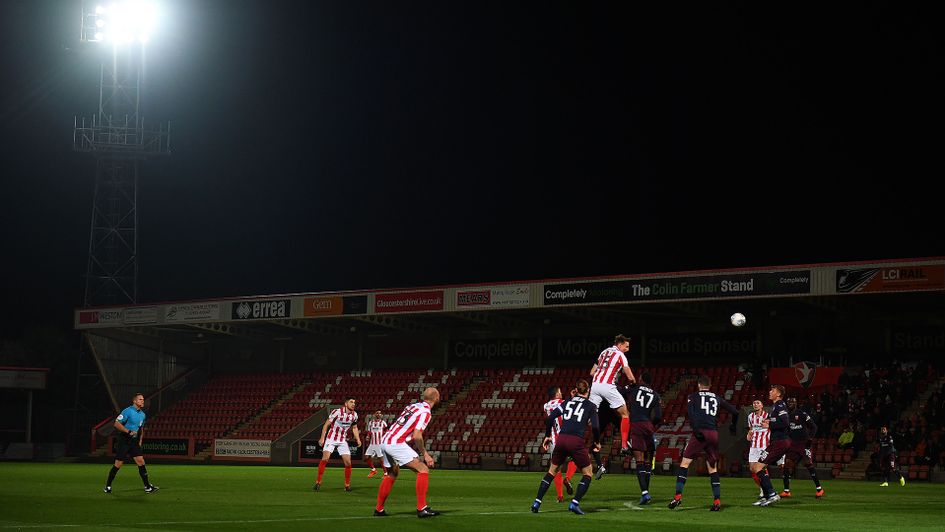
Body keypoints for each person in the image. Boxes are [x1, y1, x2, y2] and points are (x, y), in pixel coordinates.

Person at [668, 375, 739, 512]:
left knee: (685, 463)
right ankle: (717, 501)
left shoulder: (693, 396)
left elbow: (691, 414)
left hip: (700, 432)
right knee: (712, 467)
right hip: (713, 433)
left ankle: (677, 497)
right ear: (709, 385)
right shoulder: (716, 397)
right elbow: (735, 412)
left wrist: (696, 430)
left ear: (699, 385)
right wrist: (733, 427)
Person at [530, 379, 601, 516]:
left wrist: (547, 435)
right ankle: (574, 503)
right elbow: (596, 427)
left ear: (576, 390)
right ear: (588, 391)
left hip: (561, 440)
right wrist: (597, 442)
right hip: (576, 441)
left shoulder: (568, 402)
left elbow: (550, 418)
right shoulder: (591, 406)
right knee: (588, 473)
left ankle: (536, 502)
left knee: (551, 472)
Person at [374, 387, 441, 518]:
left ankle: (379, 509)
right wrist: (425, 454)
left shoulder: (413, 406)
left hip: (385, 440)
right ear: (437, 398)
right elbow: (417, 435)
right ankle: (422, 508)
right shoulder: (425, 412)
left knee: (392, 473)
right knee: (423, 469)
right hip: (396, 443)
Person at [588, 334, 636, 463]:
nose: (627, 349)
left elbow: (592, 372)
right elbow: (629, 376)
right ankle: (624, 445)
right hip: (608, 386)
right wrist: (633, 383)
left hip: (595, 386)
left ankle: (580, 442)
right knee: (625, 414)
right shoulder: (620, 355)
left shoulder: (603, 352)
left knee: (590, 417)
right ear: (619, 344)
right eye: (626, 346)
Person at [104, 393, 158, 494]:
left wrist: (140, 441)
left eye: (143, 399)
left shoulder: (143, 414)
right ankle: (108, 486)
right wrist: (128, 431)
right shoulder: (127, 411)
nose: (142, 401)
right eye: (140, 399)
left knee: (141, 461)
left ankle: (147, 487)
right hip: (124, 440)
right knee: (118, 464)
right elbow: (116, 424)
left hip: (134, 442)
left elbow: (141, 429)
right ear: (134, 401)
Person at [750, 385, 791, 506]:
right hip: (776, 442)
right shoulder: (774, 407)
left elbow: (785, 422)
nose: (770, 391)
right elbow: (775, 420)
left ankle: (772, 494)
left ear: (778, 394)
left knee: (758, 467)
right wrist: (768, 421)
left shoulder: (780, 405)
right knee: (756, 467)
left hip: (780, 442)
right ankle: (766, 496)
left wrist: (769, 425)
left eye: (772, 390)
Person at [627, 372, 662, 505]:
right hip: (648, 425)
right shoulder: (656, 395)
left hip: (636, 424)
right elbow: (658, 416)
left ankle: (645, 493)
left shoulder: (634, 389)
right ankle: (646, 491)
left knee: (639, 460)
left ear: (641, 380)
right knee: (648, 459)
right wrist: (651, 424)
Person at [780, 397, 824, 498]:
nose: (790, 403)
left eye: (792, 402)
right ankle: (786, 491)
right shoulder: (785, 415)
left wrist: (810, 439)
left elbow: (814, 427)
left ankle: (819, 489)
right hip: (792, 444)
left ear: (796, 403)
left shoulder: (802, 414)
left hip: (803, 444)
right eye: (789, 402)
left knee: (808, 464)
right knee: (787, 465)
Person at [315, 396, 361, 492]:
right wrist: (322, 438)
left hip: (342, 440)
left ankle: (347, 485)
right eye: (351, 402)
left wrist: (358, 439)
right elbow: (326, 425)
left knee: (348, 463)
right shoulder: (337, 412)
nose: (353, 404)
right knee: (325, 458)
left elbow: (354, 427)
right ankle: (318, 482)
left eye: (354, 402)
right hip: (331, 438)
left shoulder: (355, 415)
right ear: (346, 404)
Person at [543, 386, 578, 502]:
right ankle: (567, 478)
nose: (561, 393)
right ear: (557, 394)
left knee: (556, 468)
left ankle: (560, 496)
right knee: (577, 459)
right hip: (566, 437)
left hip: (554, 440)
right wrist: (572, 397)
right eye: (560, 392)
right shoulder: (563, 403)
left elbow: (548, 420)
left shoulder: (546, 406)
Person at [746, 399, 770, 499]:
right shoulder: (750, 416)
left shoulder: (767, 416)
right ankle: (762, 488)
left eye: (758, 403)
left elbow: (771, 428)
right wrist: (749, 434)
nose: (755, 404)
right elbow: (751, 429)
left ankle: (767, 490)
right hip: (753, 446)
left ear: (762, 405)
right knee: (752, 469)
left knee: (762, 468)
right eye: (754, 403)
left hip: (764, 445)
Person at [364, 410, 388, 478]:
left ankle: (386, 473)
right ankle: (373, 470)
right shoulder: (371, 423)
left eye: (380, 413)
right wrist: (368, 436)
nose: (378, 414)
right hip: (372, 444)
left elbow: (387, 431)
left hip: (379, 444)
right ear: (374, 414)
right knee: (366, 457)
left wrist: (385, 438)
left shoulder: (383, 423)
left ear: (381, 415)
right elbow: (369, 431)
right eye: (377, 413)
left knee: (381, 459)